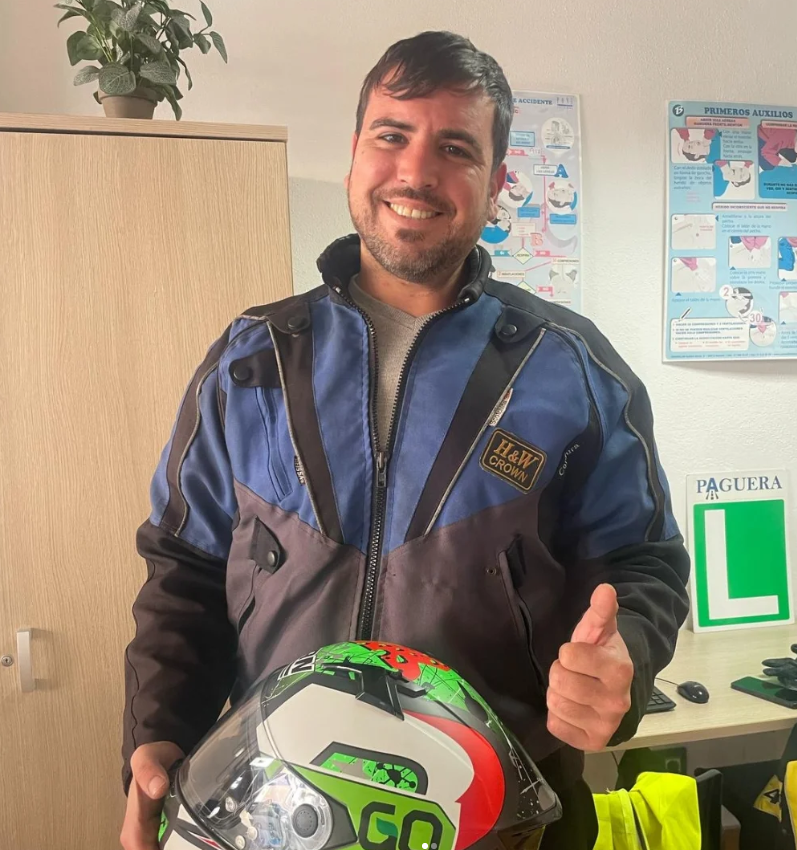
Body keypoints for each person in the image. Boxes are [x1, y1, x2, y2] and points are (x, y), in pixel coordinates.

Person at [120, 31, 690, 850]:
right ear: (355, 156)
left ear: (496, 186)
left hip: (502, 826)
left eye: (454, 147)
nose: (416, 173)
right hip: (276, 820)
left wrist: (625, 658)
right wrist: (153, 738)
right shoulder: (253, 361)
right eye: (392, 135)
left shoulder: (570, 370)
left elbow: (643, 567)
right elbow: (183, 571)